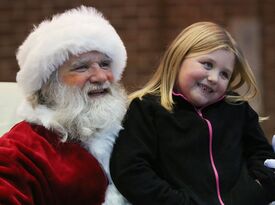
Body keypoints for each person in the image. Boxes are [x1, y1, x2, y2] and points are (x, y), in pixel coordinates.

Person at [110, 22, 275, 205]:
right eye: (207, 64)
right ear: (179, 58)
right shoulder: (147, 109)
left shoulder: (237, 108)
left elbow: (262, 156)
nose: (214, 78)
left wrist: (253, 192)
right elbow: (129, 170)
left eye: (224, 74)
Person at [0, 6, 129, 205]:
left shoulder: (132, 130)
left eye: (105, 64)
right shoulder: (18, 152)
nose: (101, 76)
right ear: (50, 84)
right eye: (81, 67)